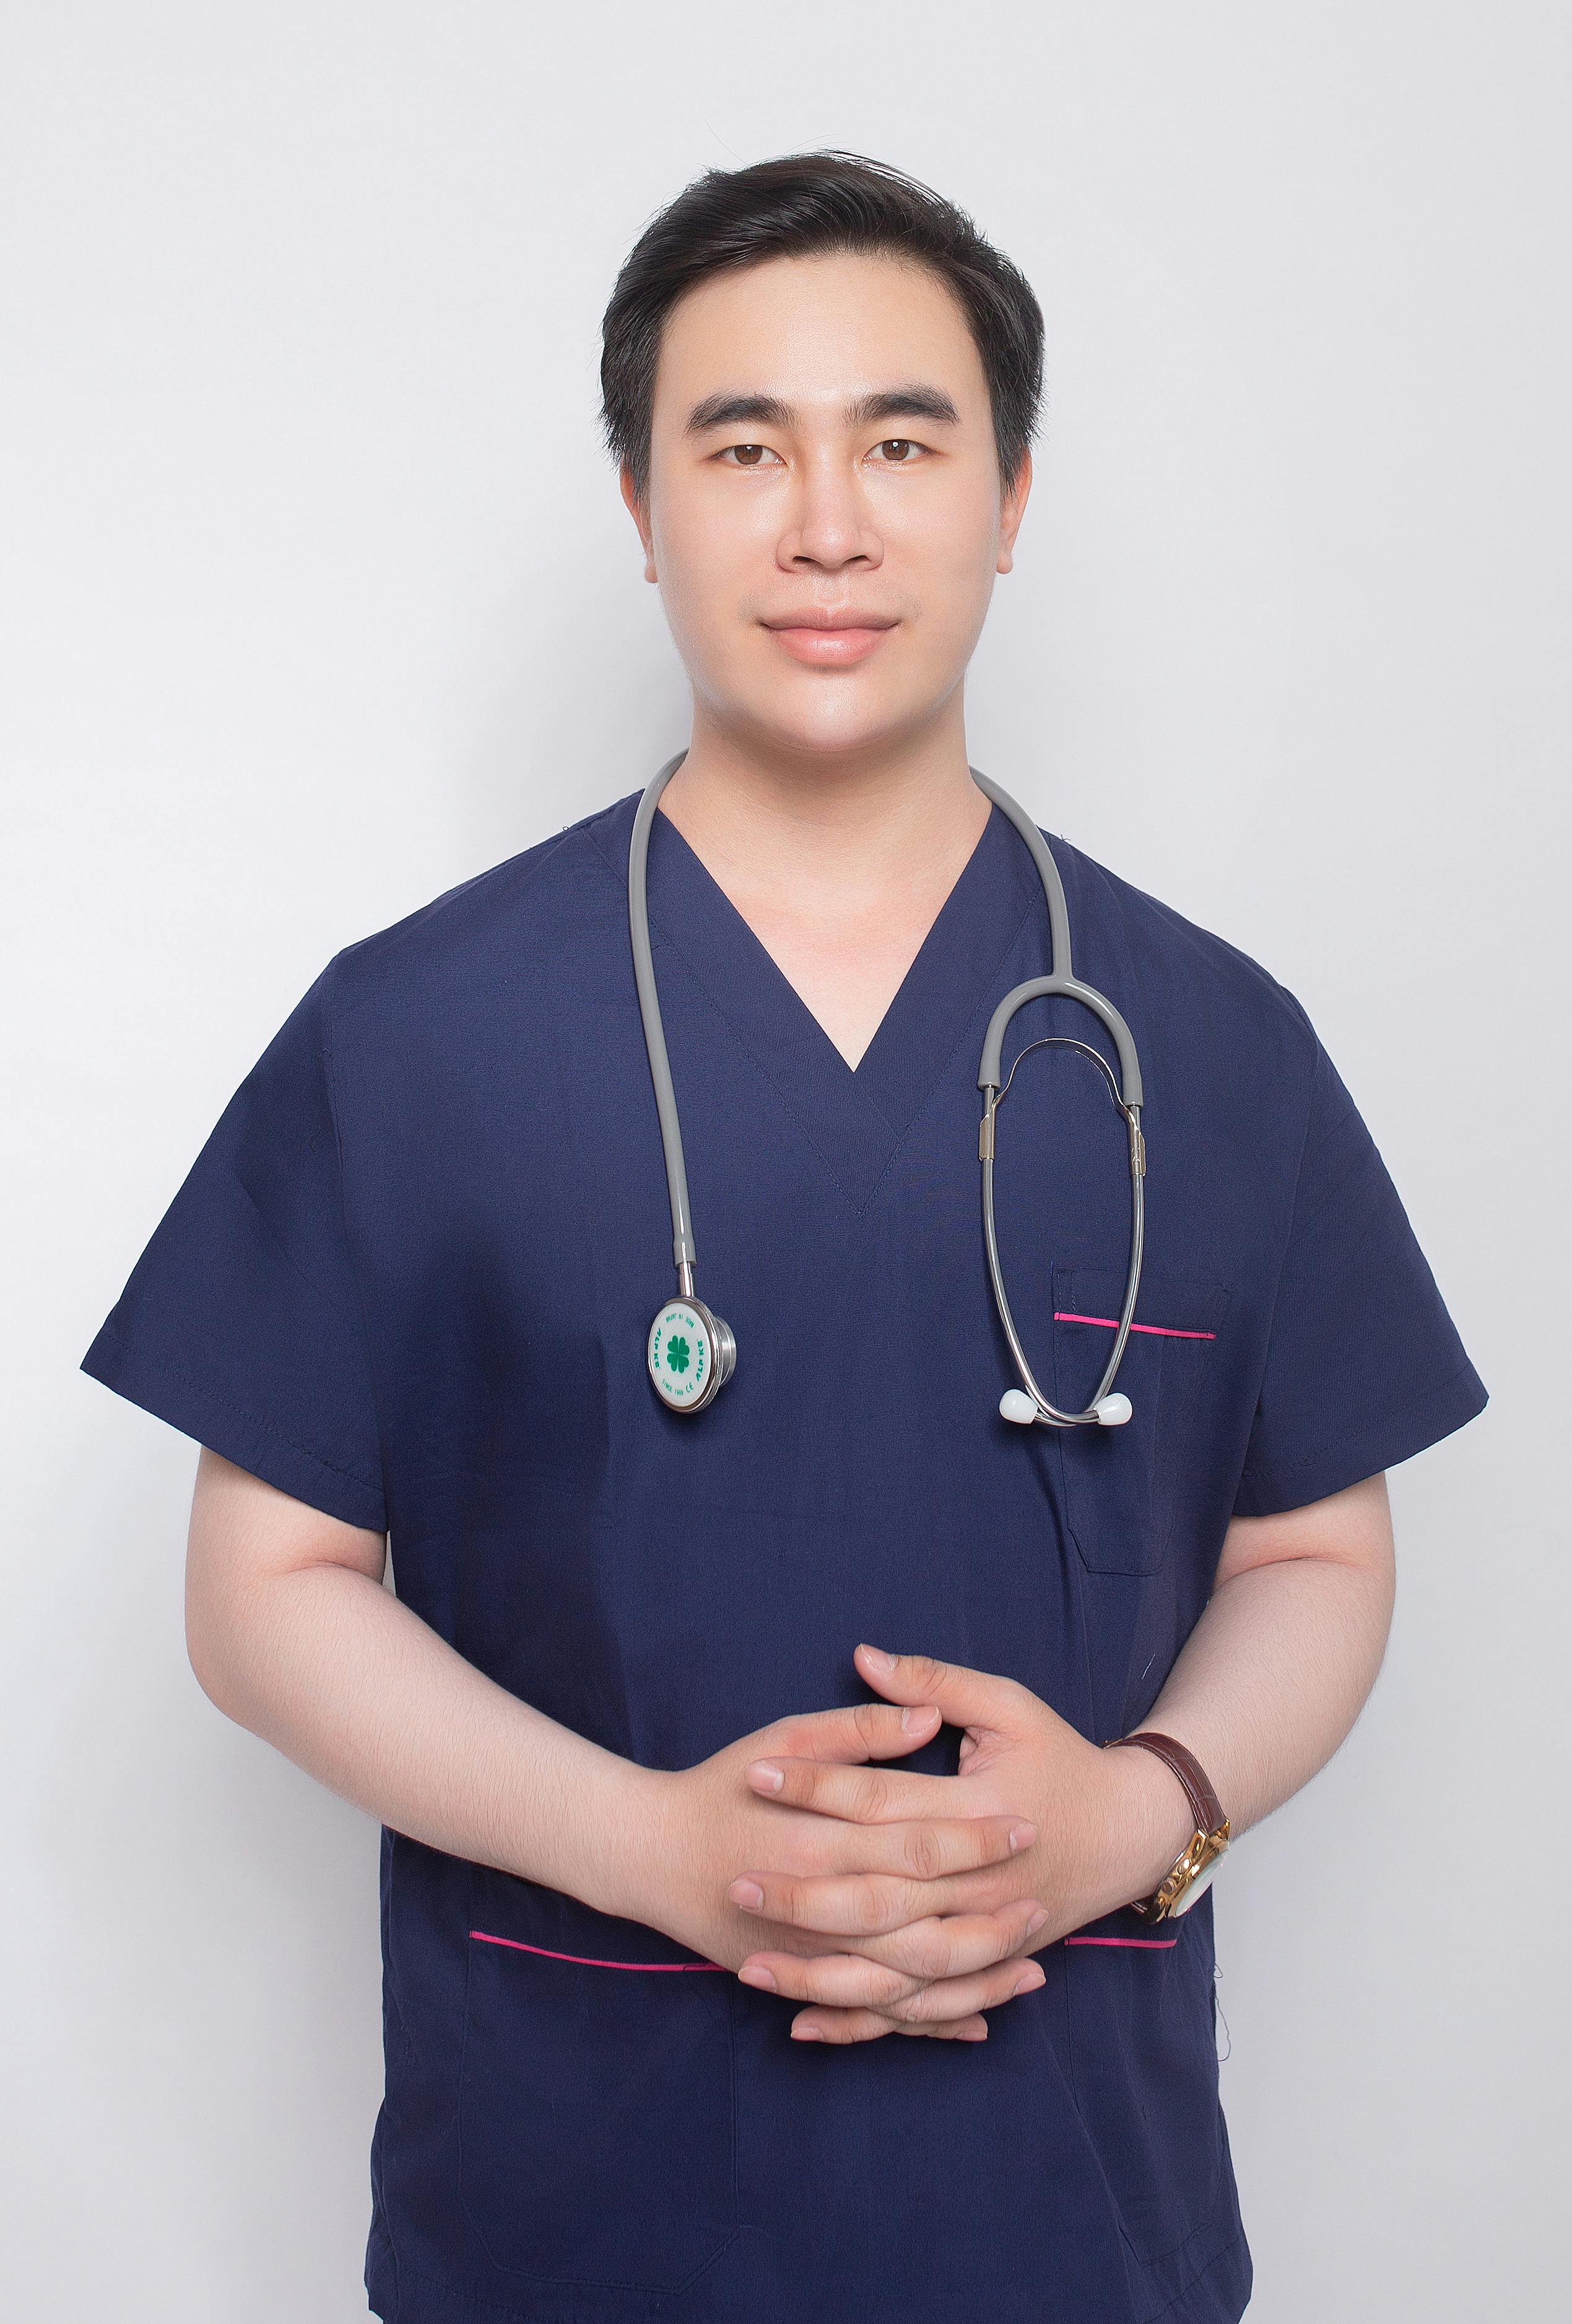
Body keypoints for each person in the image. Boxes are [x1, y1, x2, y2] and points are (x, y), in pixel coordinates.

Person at [81, 152, 1487, 2324]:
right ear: (641, 507)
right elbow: (261, 1598)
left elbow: (1314, 1555)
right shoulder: (421, 1033)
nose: (825, 522)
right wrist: (655, 1851)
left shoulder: (1208, 1043)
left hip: (1070, 2221)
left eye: (901, 442)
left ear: (1011, 494)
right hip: (566, 2211)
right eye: (740, 447)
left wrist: (1144, 1816)